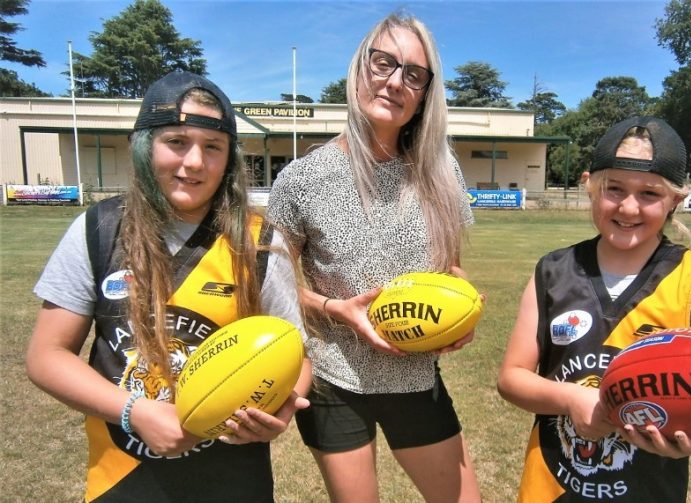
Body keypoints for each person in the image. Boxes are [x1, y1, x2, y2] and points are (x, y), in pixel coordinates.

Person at [25, 70, 312, 502]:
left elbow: (296, 353)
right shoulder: (99, 228)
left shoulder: (260, 242)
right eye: (177, 141)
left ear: (229, 159)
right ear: (145, 147)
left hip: (232, 478)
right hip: (121, 475)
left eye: (212, 146)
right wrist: (134, 411)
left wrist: (282, 408)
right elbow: (46, 355)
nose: (194, 161)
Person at [266, 12, 482, 503]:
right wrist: (335, 309)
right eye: (383, 63)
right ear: (359, 67)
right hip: (333, 376)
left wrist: (463, 310)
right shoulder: (302, 178)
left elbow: (450, 269)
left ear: (425, 93)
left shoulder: (441, 169)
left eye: (414, 74)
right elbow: (270, 285)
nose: (395, 81)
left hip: (415, 373)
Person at [497, 116, 691, 502]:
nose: (628, 208)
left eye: (649, 193)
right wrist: (571, 399)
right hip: (551, 488)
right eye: (614, 189)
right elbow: (511, 378)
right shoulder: (553, 271)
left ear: (675, 200)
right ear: (591, 186)